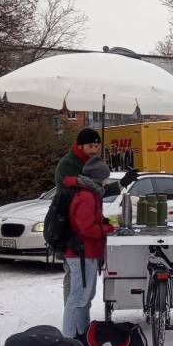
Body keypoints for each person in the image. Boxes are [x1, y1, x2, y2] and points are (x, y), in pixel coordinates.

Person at [55, 127, 138, 300]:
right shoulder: (69, 164)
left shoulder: (90, 162)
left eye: (97, 146)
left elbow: (97, 191)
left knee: (83, 285)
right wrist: (100, 225)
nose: (94, 150)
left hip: (84, 230)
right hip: (70, 228)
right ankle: (71, 312)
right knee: (74, 280)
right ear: (80, 145)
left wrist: (123, 182)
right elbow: (82, 195)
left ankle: (75, 312)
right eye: (90, 146)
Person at [61, 156, 114, 346]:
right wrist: (107, 229)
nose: (107, 180)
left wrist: (103, 223)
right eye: (106, 176)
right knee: (78, 297)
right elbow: (86, 228)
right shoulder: (87, 196)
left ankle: (82, 333)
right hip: (82, 253)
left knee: (86, 297)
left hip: (86, 252)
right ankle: (70, 338)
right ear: (99, 177)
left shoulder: (90, 193)